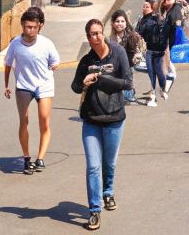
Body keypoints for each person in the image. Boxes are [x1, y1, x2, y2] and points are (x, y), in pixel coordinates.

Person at [73, 17, 132, 231]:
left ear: (103, 33)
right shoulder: (86, 60)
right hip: (91, 119)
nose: (95, 38)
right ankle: (94, 210)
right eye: (91, 35)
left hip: (115, 117)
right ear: (87, 37)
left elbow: (128, 82)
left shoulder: (118, 53)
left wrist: (104, 79)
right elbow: (74, 86)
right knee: (93, 166)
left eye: (98, 33)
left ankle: (108, 192)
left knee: (109, 163)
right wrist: (84, 82)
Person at [4, 6, 61, 173]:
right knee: (24, 120)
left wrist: (54, 65)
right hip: (24, 85)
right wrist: (6, 86)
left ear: (40, 26)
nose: (31, 30)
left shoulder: (46, 43)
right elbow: (8, 64)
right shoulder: (15, 44)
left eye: (34, 27)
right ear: (22, 26)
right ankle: (27, 157)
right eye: (28, 27)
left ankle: (40, 158)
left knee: (44, 119)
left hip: (44, 85)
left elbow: (55, 61)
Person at [136, 0, 169, 105]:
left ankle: (163, 89)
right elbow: (138, 32)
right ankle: (153, 92)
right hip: (148, 49)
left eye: (147, 6)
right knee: (151, 71)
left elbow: (163, 31)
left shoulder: (156, 18)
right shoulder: (141, 19)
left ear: (152, 7)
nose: (144, 8)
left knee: (159, 71)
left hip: (158, 49)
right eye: (143, 6)